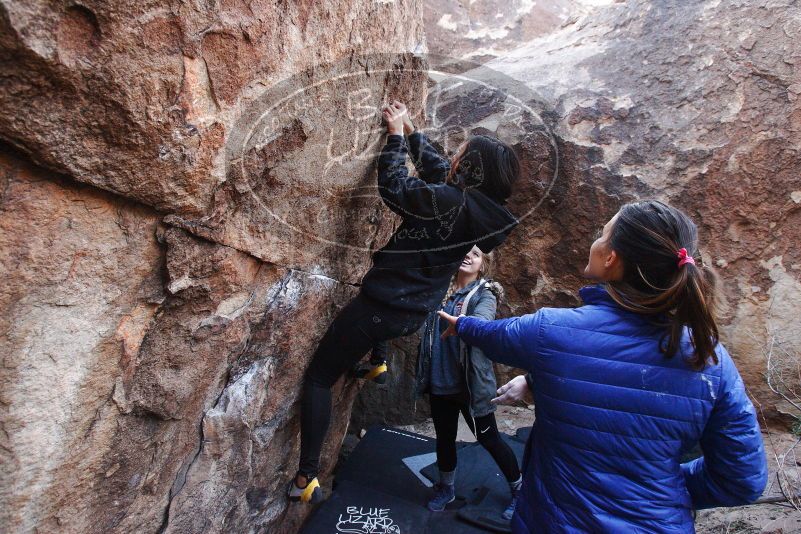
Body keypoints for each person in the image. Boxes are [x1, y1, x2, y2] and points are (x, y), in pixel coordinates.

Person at [438, 200, 768, 532]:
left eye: (602, 233)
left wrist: (461, 325)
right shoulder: (710, 357)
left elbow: (496, 335)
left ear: (610, 258)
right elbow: (743, 480)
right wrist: (660, 487)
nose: (595, 240)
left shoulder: (551, 331)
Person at [287, 100, 521, 503]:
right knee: (364, 338)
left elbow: (395, 187)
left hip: (382, 309)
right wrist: (411, 132)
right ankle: (377, 361)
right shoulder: (477, 211)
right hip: (411, 312)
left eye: (461, 155)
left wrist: (394, 138)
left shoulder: (449, 203)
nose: (455, 157)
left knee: (320, 377)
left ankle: (305, 475)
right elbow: (438, 175)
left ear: (469, 169)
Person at [414, 244, 522, 518]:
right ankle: (446, 487)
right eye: (466, 250)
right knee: (445, 438)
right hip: (440, 381)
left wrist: (462, 323)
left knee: (489, 440)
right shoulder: (441, 290)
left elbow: (483, 322)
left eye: (475, 254)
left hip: (470, 386)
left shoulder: (485, 294)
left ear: (483, 264)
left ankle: (520, 490)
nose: (468, 256)